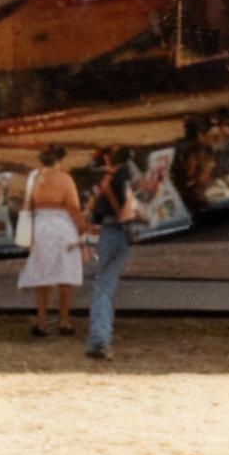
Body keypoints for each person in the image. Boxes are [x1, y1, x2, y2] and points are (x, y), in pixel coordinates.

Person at [84, 146, 166, 362]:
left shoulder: (107, 181)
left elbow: (98, 213)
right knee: (106, 287)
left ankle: (98, 339)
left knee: (103, 286)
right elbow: (128, 209)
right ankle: (100, 340)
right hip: (120, 233)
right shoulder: (127, 176)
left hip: (107, 233)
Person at [16, 144, 85, 337]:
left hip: (40, 226)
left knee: (42, 274)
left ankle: (42, 322)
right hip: (62, 226)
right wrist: (82, 229)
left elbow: (27, 206)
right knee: (65, 275)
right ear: (60, 160)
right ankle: (64, 321)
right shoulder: (65, 179)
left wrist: (25, 236)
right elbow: (73, 207)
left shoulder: (33, 178)